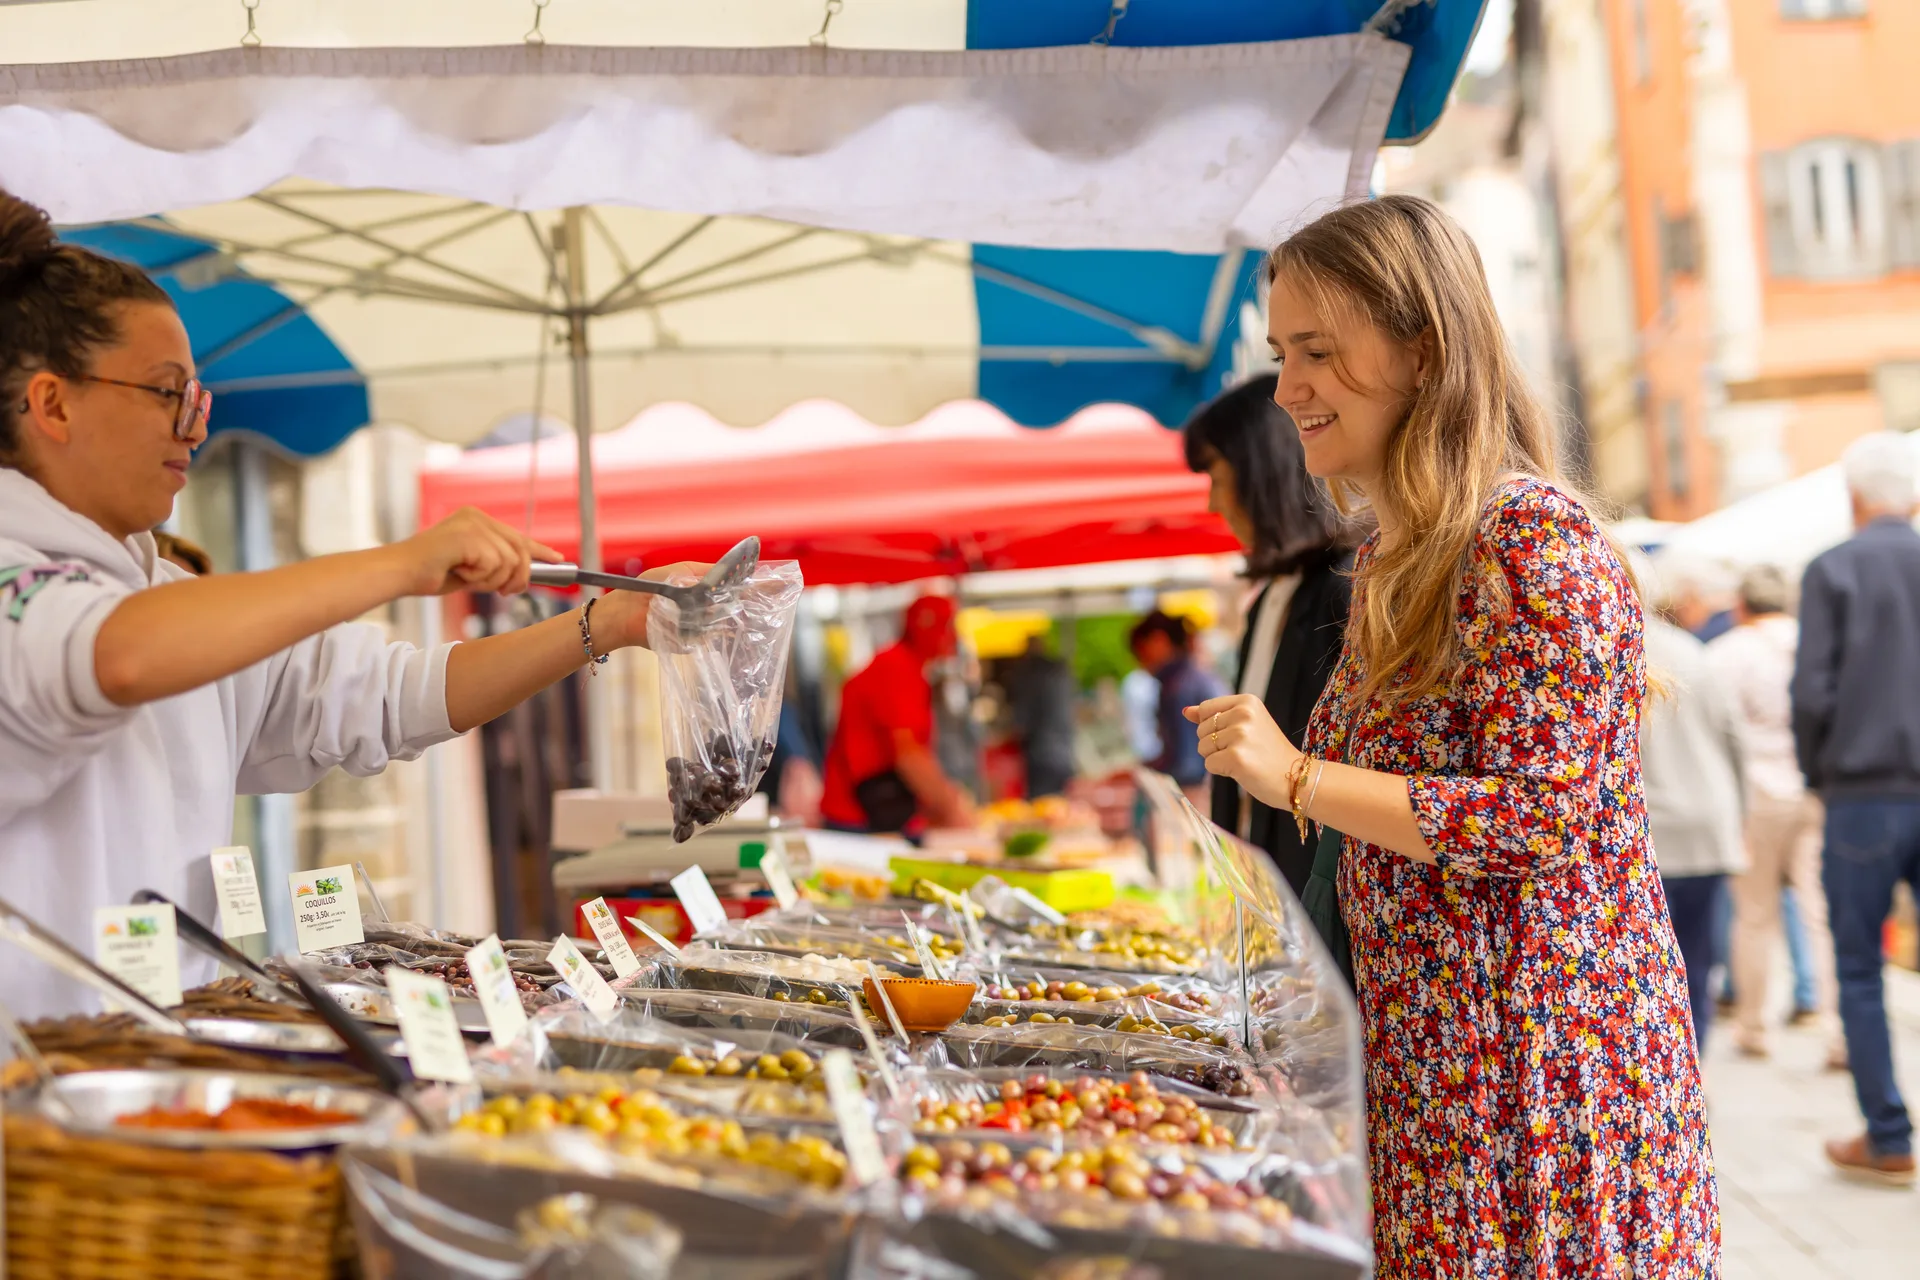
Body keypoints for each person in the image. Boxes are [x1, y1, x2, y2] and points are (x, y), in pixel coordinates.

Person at [0, 187, 696, 1019]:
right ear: (53, 403)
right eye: (168, 393)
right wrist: (401, 565)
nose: (193, 428)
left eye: (200, 402)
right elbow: (114, 654)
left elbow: (392, 696)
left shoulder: (163, 595)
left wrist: (607, 623)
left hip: (156, 1070)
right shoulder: (41, 589)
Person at [1185, 194, 1717, 1274]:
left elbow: (1538, 819)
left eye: (1318, 351)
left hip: (1536, 1094)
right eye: (1285, 352)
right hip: (1447, 1077)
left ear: (1423, 348)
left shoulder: (1531, 543)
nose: (1288, 389)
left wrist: (1295, 774)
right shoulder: (1409, 553)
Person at [1791, 430, 1920, 1187]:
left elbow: (1812, 693)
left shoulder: (1833, 569)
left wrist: (1820, 772)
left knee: (1862, 969)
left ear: (1854, 498)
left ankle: (1889, 1133)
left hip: (1863, 795)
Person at [1183, 373, 1353, 898]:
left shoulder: (1345, 589)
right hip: (1274, 909)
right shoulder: (1277, 595)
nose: (1213, 502)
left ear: (1262, 469)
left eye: (1215, 472)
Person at [1707, 564, 1843, 1065]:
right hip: (1813, 788)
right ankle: (1839, 1033)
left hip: (1758, 793)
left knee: (1755, 913)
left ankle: (1754, 1026)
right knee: (1821, 913)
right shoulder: (1814, 641)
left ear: (1742, 605)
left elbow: (1721, 733)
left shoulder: (1728, 652)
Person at [1639, 556, 1749, 1052]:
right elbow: (1734, 739)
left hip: (1652, 831)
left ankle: (1663, 1065)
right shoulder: (1694, 652)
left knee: (1648, 966)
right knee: (1698, 958)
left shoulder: (1605, 650)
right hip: (1706, 823)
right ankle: (1693, 1065)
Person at [819, 595, 975, 834]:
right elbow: (909, 755)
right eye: (947, 626)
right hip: (860, 817)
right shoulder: (898, 668)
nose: (954, 637)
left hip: (873, 810)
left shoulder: (902, 665)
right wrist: (950, 807)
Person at [1128, 609, 1224, 797]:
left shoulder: (1179, 687)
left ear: (1158, 641)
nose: (1140, 664)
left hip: (1198, 793)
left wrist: (1143, 773)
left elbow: (1187, 765)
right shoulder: (1191, 677)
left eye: (1140, 653)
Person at [1003, 634, 1079, 798]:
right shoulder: (1061, 670)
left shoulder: (1029, 674)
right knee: (1061, 805)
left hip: (1041, 753)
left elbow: (1020, 724)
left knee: (1042, 807)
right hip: (1065, 750)